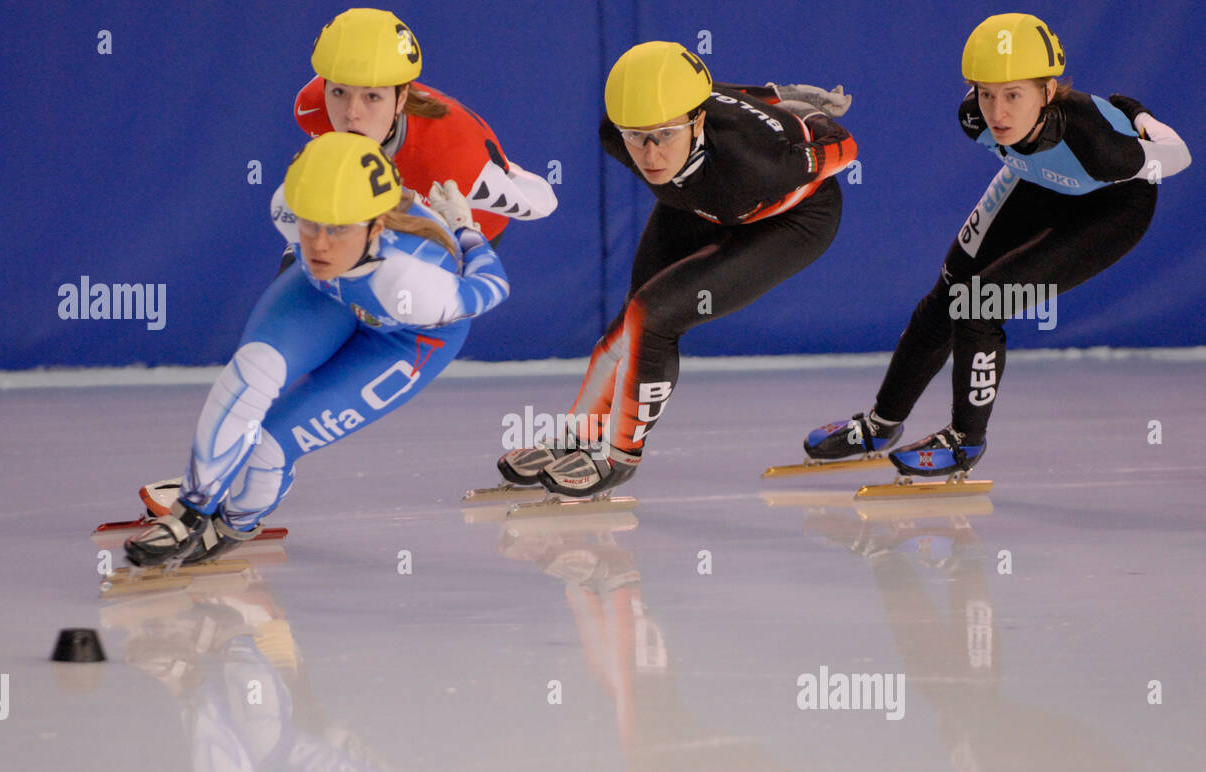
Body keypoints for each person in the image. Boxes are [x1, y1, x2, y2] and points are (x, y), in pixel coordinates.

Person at [803, 12, 1190, 476]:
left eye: (1013, 95)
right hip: (1037, 180)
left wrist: (1139, 115)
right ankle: (881, 424)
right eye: (987, 94)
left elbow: (1179, 154)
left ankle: (966, 441)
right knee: (946, 298)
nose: (998, 112)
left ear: (1047, 92)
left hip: (1110, 207)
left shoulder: (1102, 148)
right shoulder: (974, 117)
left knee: (982, 303)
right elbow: (1015, 147)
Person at [125, 132, 509, 566]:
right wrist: (195, 505)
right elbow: (308, 245)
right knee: (249, 374)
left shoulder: (415, 284)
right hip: (329, 291)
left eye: (339, 228)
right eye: (311, 223)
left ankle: (234, 524)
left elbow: (493, 287)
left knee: (270, 443)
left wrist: (465, 229)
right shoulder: (289, 208)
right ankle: (191, 515)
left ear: (376, 226)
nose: (321, 243)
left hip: (408, 336)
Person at [495, 41, 857, 497]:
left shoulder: (758, 164)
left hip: (791, 220)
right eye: (636, 136)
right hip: (697, 201)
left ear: (697, 120)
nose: (650, 155)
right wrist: (773, 92)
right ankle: (581, 433)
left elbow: (846, 148)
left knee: (656, 314)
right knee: (632, 317)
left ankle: (620, 454)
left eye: (664, 134)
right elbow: (717, 91)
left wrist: (812, 118)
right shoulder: (615, 134)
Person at [292, 7, 556, 246]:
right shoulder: (312, 109)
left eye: (372, 96)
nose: (351, 113)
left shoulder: (455, 162)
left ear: (401, 98)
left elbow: (542, 201)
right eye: (339, 92)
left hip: (464, 222)